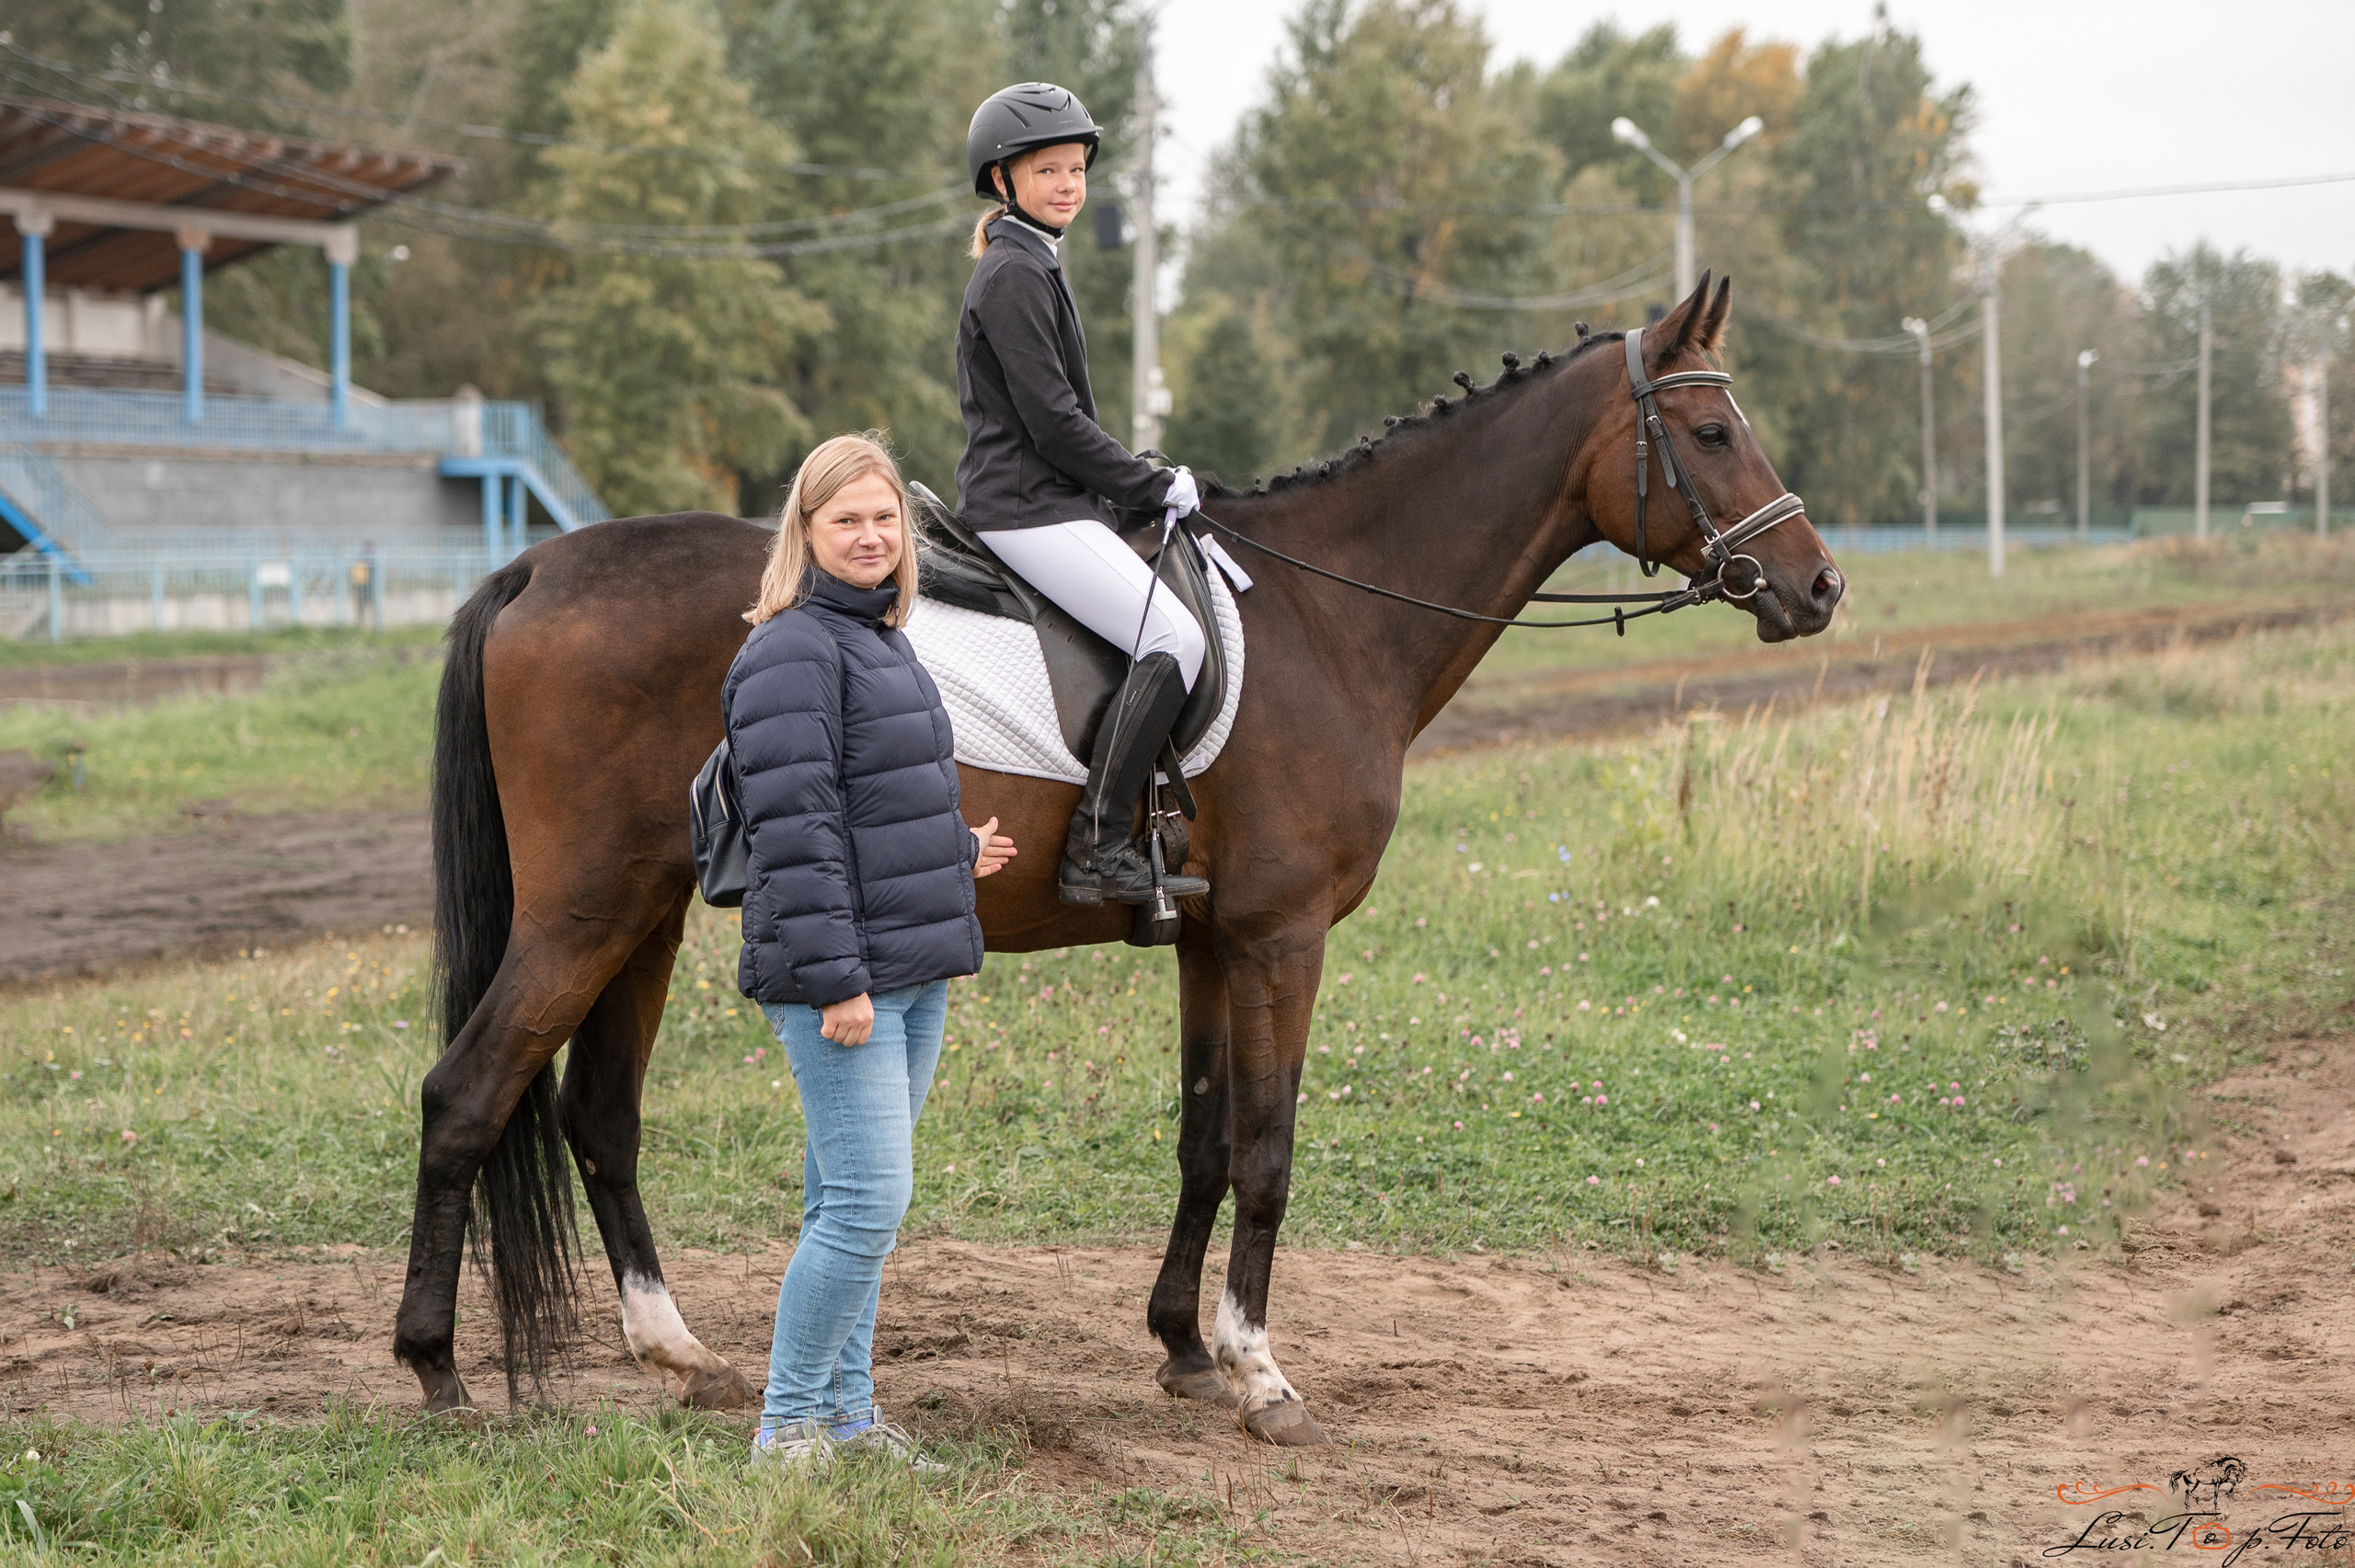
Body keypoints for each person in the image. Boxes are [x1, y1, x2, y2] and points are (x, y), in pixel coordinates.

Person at [728, 430, 1017, 1467]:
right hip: (845, 981)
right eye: (845, 519)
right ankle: (786, 1427)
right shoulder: (792, 649)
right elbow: (794, 832)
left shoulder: (879, 638)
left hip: (909, 964)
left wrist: (953, 849)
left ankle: (848, 1420)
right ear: (805, 531)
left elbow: (868, 800)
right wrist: (838, 983)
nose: (869, 536)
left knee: (850, 1206)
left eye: (884, 517)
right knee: (864, 1206)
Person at [957, 81, 1212, 909]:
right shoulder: (1013, 274)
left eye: (1076, 169)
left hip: (1050, 501)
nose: (1068, 184)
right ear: (1004, 181)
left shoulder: (1035, 261)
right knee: (1173, 637)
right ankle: (1097, 846)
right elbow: (1056, 425)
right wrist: (1149, 483)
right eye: (1048, 171)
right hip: (1026, 509)